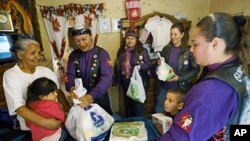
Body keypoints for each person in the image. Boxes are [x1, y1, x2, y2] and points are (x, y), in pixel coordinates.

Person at [157, 12, 250, 141]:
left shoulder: (210, 92)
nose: (191, 49)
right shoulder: (240, 68)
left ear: (215, 44)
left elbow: (180, 138)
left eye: (195, 44)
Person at [2, 39, 63, 140]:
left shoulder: (45, 71)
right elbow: (18, 106)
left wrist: (67, 111)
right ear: (20, 55)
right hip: (33, 127)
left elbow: (58, 92)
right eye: (33, 53)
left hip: (56, 121)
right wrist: (44, 122)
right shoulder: (11, 75)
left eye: (39, 53)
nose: (38, 56)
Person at [65, 24, 113, 115]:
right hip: (80, 99)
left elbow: (106, 78)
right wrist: (71, 89)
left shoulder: (102, 54)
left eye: (84, 39)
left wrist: (91, 96)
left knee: (104, 125)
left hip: (99, 98)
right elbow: (69, 75)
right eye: (77, 41)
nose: (81, 44)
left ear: (91, 36)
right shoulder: (73, 55)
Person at [154, 22, 200, 113]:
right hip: (165, 88)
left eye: (175, 34)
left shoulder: (189, 51)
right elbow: (160, 66)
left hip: (181, 89)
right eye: (171, 34)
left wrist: (179, 78)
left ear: (182, 34)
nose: (173, 37)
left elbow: (196, 69)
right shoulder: (166, 49)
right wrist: (159, 63)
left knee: (179, 114)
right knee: (159, 111)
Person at [114, 29, 151, 117]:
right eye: (128, 38)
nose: (130, 40)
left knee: (138, 107)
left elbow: (149, 64)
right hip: (126, 83)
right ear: (125, 39)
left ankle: (140, 125)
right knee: (128, 107)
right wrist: (116, 80)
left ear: (136, 39)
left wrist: (140, 67)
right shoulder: (121, 51)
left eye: (132, 38)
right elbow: (118, 66)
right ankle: (131, 125)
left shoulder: (142, 51)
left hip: (138, 83)